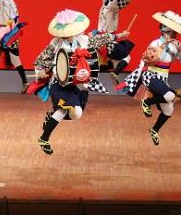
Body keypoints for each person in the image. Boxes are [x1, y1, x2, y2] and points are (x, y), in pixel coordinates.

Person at [32, 9, 125, 154]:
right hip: (59, 83)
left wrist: (118, 35)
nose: (68, 35)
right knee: (63, 110)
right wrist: (40, 71)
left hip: (75, 84)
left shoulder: (83, 40)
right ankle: (44, 138)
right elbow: (40, 61)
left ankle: (50, 118)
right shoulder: (55, 43)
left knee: (77, 114)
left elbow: (100, 40)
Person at [119, 11, 181, 146]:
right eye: (172, 32)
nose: (174, 34)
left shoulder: (176, 45)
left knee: (169, 110)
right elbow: (149, 59)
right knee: (171, 95)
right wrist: (164, 45)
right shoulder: (156, 43)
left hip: (162, 79)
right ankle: (146, 102)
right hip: (151, 75)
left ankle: (154, 130)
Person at [94, 0, 136, 84]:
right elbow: (126, 0)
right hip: (107, 41)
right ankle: (115, 72)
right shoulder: (113, 6)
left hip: (98, 39)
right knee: (127, 57)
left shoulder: (103, 6)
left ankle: (114, 71)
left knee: (115, 58)